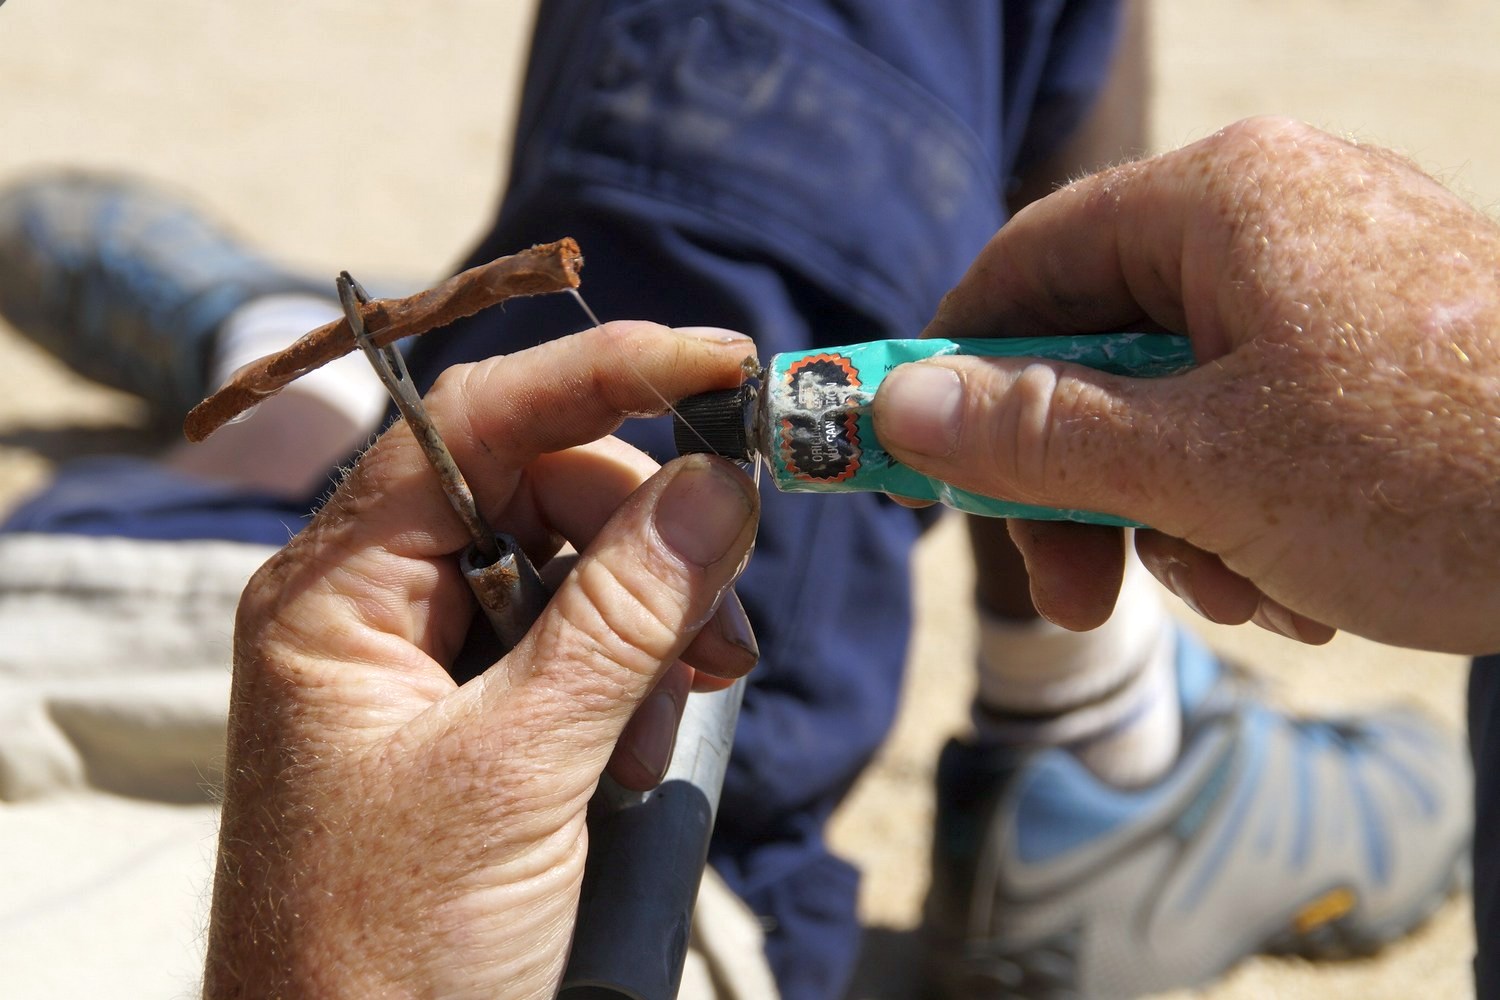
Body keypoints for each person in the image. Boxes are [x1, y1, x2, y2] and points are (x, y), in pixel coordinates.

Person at [0, 4, 1470, 997]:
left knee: (309, 487)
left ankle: (284, 354)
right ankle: (1096, 737)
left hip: (75, 649)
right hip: (606, 843)